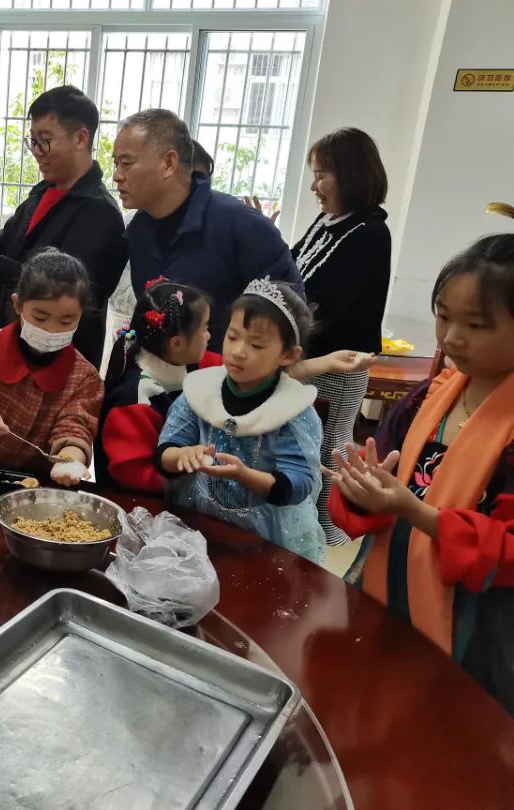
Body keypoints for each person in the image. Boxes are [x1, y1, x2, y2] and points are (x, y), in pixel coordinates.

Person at [326, 235, 514, 714]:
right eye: (444, 315)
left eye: (475, 324)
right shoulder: (431, 397)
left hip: (479, 624)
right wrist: (362, 492)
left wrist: (413, 509)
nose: (450, 337)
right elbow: (382, 477)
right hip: (391, 584)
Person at [97, 278, 373, 493]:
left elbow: (258, 372)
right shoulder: (138, 399)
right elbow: (138, 476)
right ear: (178, 343)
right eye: (221, 333)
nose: (238, 352)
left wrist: (324, 363)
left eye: (255, 344)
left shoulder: (193, 363)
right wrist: (188, 462)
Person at [0, 85, 127, 368]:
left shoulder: (102, 213)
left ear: (81, 138)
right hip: (15, 345)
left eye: (45, 141)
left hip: (60, 362)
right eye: (32, 141)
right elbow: (2, 248)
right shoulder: (42, 193)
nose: (36, 152)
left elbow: (71, 292)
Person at [155, 279, 325, 564]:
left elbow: (297, 483)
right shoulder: (201, 391)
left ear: (288, 355)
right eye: (233, 337)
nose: (238, 351)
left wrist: (245, 476)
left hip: (269, 540)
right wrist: (181, 456)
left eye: (256, 344)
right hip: (201, 526)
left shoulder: (292, 410)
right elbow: (165, 452)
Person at [113, 108, 302, 348]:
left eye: (126, 163)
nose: (116, 176)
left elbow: (290, 320)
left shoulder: (243, 228)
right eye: (116, 163)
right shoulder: (139, 229)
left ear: (169, 163)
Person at [289, 127, 391, 546]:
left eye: (321, 175)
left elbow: (328, 303)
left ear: (350, 174)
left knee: (330, 448)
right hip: (307, 358)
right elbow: (293, 269)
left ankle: (332, 537)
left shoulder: (369, 232)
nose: (314, 186)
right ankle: (306, 530)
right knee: (302, 446)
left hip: (339, 363)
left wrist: (290, 352)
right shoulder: (331, 220)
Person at [0, 248, 103, 486]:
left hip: (38, 487)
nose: (52, 330)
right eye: (40, 317)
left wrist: (70, 461)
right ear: (17, 305)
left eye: (67, 321)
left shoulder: (84, 377)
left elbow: (75, 430)